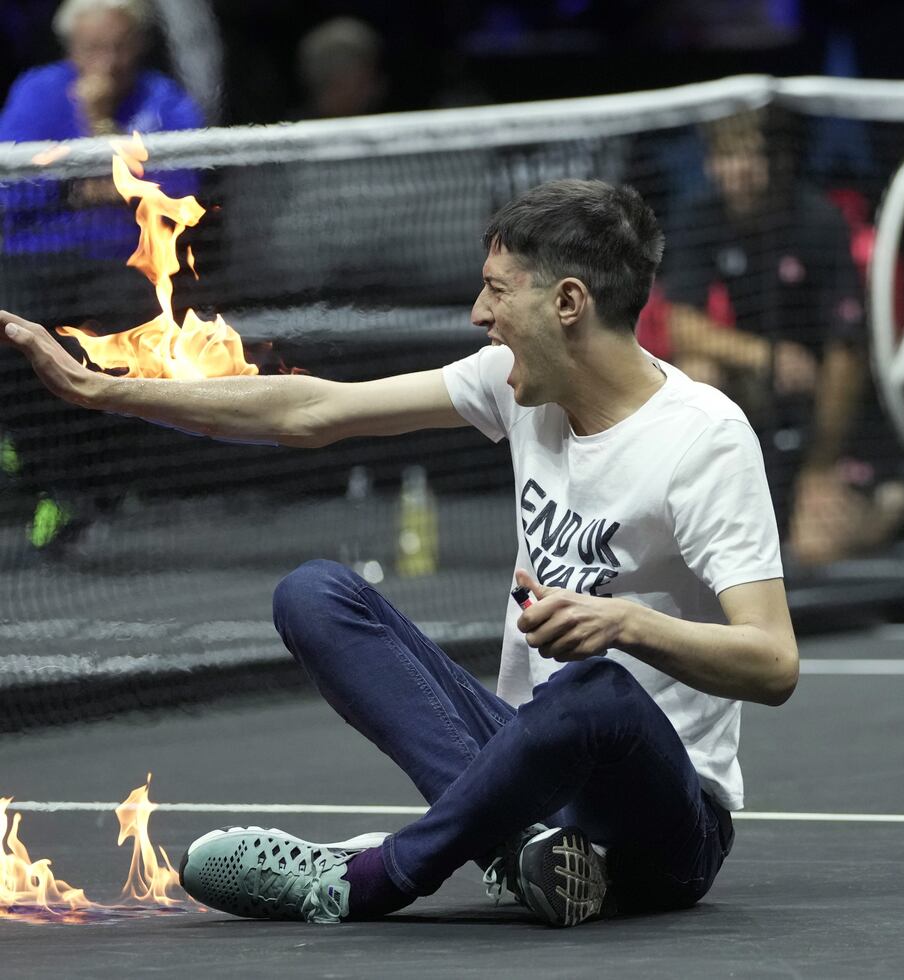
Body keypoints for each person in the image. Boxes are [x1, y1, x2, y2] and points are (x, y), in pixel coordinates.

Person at [1, 179, 799, 927]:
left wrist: (624, 623)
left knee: (597, 694)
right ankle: (523, 855)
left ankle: (371, 876)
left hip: (664, 824)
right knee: (314, 594)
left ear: (567, 303)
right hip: (529, 769)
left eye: (497, 289)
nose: (479, 314)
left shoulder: (704, 440)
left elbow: (772, 663)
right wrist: (102, 390)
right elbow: (312, 411)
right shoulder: (511, 383)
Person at [644, 108, 904, 564]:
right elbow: (679, 325)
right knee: (698, 373)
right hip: (760, 383)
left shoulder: (818, 221)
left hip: (826, 398)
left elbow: (847, 351)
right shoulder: (699, 217)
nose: (739, 169)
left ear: (776, 162)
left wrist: (822, 463)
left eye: (750, 155)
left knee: (815, 548)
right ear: (710, 163)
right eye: (727, 156)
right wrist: (767, 356)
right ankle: (700, 505)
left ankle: (892, 501)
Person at [0, 0, 204, 549]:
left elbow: (182, 193)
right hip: (29, 264)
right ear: (71, 48)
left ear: (137, 45)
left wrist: (100, 129)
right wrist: (75, 186)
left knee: (126, 339)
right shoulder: (39, 92)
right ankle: (48, 480)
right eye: (94, 49)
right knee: (13, 327)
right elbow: (5, 192)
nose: (107, 62)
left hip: (125, 269)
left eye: (118, 47)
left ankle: (88, 490)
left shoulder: (163, 100)